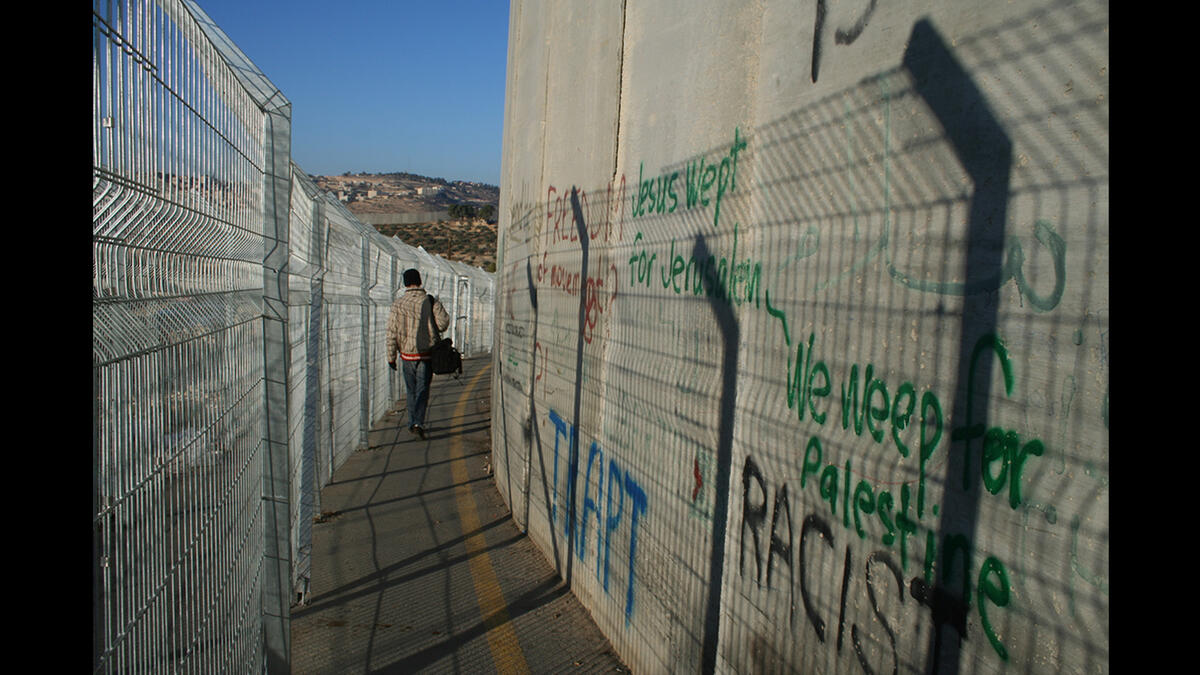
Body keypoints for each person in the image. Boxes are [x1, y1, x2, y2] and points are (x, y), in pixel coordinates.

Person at [386, 268, 450, 438]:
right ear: (420, 281)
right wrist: (430, 326)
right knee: (423, 388)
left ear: (405, 283)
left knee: (411, 389)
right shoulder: (430, 301)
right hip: (427, 353)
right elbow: (443, 324)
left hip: (407, 355)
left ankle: (412, 420)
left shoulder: (397, 305)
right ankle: (418, 422)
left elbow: (391, 332)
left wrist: (391, 357)